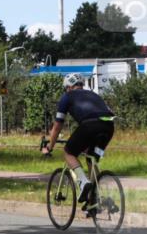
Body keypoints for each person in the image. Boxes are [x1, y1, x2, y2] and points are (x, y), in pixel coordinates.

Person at [41, 73, 115, 208]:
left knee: (69, 152)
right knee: (92, 156)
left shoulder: (67, 97)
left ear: (68, 87)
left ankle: (83, 182)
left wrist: (50, 146)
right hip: (108, 127)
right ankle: (95, 197)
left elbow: (57, 126)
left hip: (90, 125)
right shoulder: (94, 95)